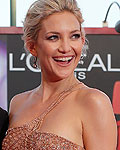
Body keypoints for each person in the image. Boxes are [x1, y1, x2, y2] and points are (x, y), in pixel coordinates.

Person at [2, 0, 117, 149]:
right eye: (53, 37)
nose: (65, 48)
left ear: (82, 41)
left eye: (74, 36)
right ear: (32, 46)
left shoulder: (94, 102)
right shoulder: (17, 103)